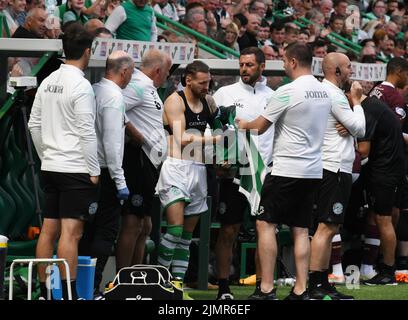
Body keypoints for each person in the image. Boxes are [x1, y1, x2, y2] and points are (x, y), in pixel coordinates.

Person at [236, 42, 331, 300]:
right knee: (301, 229)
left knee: (265, 223)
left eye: (284, 61)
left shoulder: (287, 91)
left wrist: (241, 123)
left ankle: (266, 287)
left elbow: (260, 126)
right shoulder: (324, 92)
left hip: (287, 168)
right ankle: (301, 289)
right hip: (312, 170)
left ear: (291, 61)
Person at [28, 23, 98, 300]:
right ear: (88, 51)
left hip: (51, 167)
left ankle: (46, 293)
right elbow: (86, 132)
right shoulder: (81, 85)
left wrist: (46, 156)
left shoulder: (47, 81)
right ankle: (68, 295)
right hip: (74, 169)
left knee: (49, 231)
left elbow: (34, 125)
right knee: (71, 235)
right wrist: (93, 170)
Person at [212, 47, 274, 300]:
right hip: (233, 172)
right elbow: (213, 128)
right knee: (229, 230)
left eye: (250, 65)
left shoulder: (273, 96)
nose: (244, 69)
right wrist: (218, 158)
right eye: (242, 64)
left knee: (264, 230)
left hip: (264, 173)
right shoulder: (224, 93)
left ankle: (262, 287)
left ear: (262, 67)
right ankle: (224, 287)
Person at [156, 61, 220, 298]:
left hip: (198, 169)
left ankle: (177, 287)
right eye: (202, 82)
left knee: (185, 237)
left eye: (208, 82)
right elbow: (182, 138)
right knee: (174, 229)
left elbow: (221, 124)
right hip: (176, 168)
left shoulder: (208, 101)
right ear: (188, 80)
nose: (206, 86)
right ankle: (160, 281)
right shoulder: (175, 100)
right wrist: (215, 140)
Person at [308, 52, 366, 300]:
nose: (352, 71)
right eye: (349, 67)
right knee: (326, 226)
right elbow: (360, 127)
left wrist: (350, 117)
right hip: (333, 166)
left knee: (329, 227)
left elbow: (350, 126)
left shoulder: (323, 92)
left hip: (328, 164)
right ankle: (315, 283)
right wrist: (357, 101)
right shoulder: (334, 94)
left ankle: (322, 282)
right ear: (337, 71)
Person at [78, 51, 134, 296]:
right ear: (124, 72)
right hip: (104, 172)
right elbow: (112, 143)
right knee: (105, 231)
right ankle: (93, 286)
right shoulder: (113, 97)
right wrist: (120, 180)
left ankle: (80, 286)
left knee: (86, 232)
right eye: (131, 72)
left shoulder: (93, 89)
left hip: (85, 168)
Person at [116, 49, 172, 271]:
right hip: (138, 160)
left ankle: (136, 277)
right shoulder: (137, 86)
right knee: (133, 221)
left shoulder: (149, 88)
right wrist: (136, 135)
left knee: (145, 224)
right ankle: (122, 279)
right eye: (167, 72)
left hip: (150, 163)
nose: (167, 77)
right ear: (158, 70)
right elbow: (113, 108)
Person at [357, 93, 406, 285]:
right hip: (393, 169)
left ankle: (388, 271)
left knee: (383, 219)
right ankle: (387, 266)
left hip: (385, 171)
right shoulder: (375, 106)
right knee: (390, 217)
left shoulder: (368, 110)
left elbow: (363, 150)